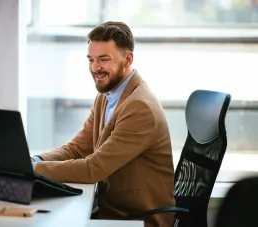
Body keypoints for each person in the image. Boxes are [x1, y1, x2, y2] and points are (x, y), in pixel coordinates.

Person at [31, 21, 175, 227]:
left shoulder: (140, 108)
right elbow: (78, 148)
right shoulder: (108, 93)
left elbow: (93, 168)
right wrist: (34, 160)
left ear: (128, 59)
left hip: (138, 220)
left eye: (104, 59)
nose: (95, 68)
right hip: (112, 211)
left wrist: (33, 169)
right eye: (91, 59)